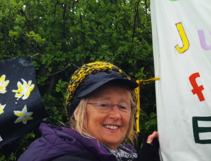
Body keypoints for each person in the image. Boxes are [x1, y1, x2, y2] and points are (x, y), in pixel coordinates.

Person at [19, 62, 159, 161]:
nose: (116, 115)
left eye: (123, 106)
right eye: (104, 105)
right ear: (78, 112)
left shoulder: (122, 154)